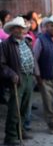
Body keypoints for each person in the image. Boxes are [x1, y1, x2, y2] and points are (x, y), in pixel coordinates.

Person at [0, 17, 34, 145]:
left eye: (21, 28)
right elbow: (1, 64)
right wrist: (12, 74)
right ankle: (11, 136)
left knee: (25, 107)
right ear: (12, 30)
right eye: (17, 28)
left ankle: (21, 131)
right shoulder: (6, 44)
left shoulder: (26, 41)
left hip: (29, 77)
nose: (20, 30)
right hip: (17, 79)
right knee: (15, 109)